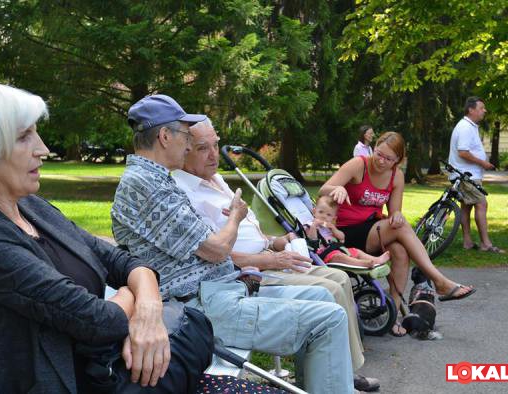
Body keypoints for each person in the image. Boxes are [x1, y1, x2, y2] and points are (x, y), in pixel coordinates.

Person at [0, 82, 272, 394]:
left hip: (123, 373)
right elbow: (97, 320)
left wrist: (147, 306)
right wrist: (130, 294)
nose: (43, 149)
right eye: (24, 137)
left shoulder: (31, 207)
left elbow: (120, 260)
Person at [112, 94, 356, 394]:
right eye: (186, 137)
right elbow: (216, 248)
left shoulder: (158, 181)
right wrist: (236, 218)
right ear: (164, 136)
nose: (187, 145)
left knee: (323, 299)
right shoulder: (145, 185)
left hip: (220, 292)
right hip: (201, 306)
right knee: (328, 320)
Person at [171, 118, 380, 392]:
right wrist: (268, 259)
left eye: (216, 145)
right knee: (329, 294)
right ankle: (340, 378)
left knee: (335, 283)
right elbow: (217, 253)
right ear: (184, 151)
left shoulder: (215, 179)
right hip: (245, 276)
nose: (213, 154)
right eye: (203, 148)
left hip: (261, 262)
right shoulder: (185, 193)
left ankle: (336, 375)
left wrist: (278, 242)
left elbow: (241, 235)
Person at [320, 131, 476, 337]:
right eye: (378, 154)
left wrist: (397, 216)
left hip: (372, 229)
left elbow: (394, 213)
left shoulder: (396, 176)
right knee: (400, 230)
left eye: (388, 158)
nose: (381, 161)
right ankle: (439, 281)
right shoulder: (359, 165)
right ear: (374, 148)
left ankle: (392, 313)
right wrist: (337, 189)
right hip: (344, 231)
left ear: (398, 160)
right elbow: (324, 189)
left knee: (400, 250)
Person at [448, 96, 504, 253]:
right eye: (481, 108)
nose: (484, 111)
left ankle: (467, 242)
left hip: (467, 175)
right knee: (481, 203)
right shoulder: (465, 127)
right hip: (467, 176)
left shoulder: (469, 126)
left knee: (466, 208)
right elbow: (463, 152)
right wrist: (483, 163)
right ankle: (486, 244)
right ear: (471, 110)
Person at [307, 195, 391, 269]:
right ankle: (362, 264)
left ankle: (377, 260)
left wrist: (334, 229)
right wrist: (314, 226)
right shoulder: (309, 225)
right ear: (314, 212)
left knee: (356, 251)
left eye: (328, 215)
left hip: (337, 249)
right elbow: (311, 239)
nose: (324, 216)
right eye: (321, 212)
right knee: (339, 256)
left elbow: (342, 237)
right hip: (324, 255)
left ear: (333, 218)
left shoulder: (329, 227)